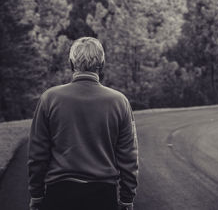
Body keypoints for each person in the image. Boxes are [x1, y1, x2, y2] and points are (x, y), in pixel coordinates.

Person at [28, 37, 139, 210]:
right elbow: (129, 156)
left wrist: (36, 193)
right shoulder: (119, 101)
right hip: (102, 195)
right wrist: (126, 197)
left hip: (59, 194)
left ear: (71, 63)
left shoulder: (49, 98)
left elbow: (37, 153)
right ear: (101, 64)